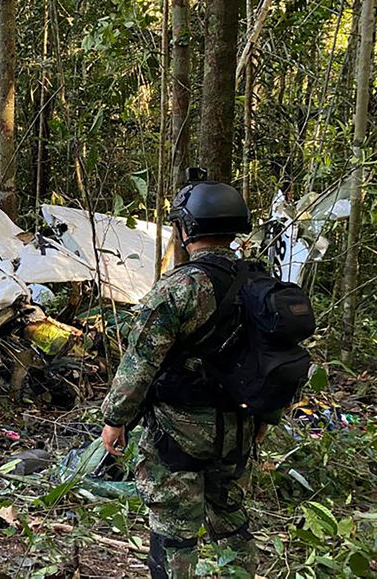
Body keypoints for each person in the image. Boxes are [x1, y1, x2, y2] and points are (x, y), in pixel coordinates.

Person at [99, 175, 267, 579]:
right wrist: (265, 419)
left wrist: (115, 419)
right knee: (231, 516)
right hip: (240, 428)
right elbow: (278, 358)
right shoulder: (260, 283)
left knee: (174, 528)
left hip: (179, 432)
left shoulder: (180, 288)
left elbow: (139, 363)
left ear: (187, 229)